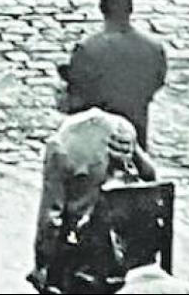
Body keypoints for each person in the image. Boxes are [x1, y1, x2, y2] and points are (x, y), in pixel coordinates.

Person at [31, 92, 154, 294]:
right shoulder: (120, 128)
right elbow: (150, 178)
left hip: (81, 257)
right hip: (124, 249)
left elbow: (51, 217)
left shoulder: (62, 142)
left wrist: (41, 264)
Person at [65, 0, 169, 147]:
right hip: (137, 129)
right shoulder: (154, 48)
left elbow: (77, 94)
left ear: (101, 8)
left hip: (98, 136)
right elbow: (157, 82)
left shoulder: (88, 49)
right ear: (131, 8)